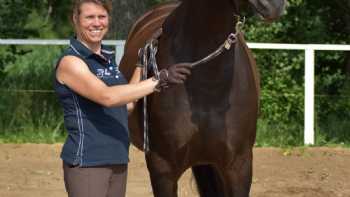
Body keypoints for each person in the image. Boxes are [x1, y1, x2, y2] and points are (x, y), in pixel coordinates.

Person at [54, 0, 191, 197]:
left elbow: (126, 105)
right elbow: (107, 97)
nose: (97, 23)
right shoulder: (71, 62)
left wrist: (141, 63)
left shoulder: (107, 60)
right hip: (88, 162)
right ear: (75, 19)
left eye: (102, 17)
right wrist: (158, 80)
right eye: (89, 17)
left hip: (117, 159)